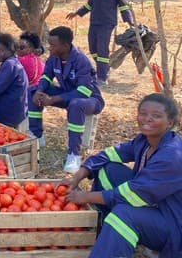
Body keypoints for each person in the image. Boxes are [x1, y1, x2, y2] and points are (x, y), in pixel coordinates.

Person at [62, 93, 182, 258]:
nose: (147, 119)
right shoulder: (144, 141)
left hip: (173, 223)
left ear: (170, 122)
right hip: (152, 204)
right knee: (107, 168)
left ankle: (114, 241)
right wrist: (77, 177)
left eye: (156, 116)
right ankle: (108, 231)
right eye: (143, 113)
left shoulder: (172, 156)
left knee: (123, 214)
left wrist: (86, 196)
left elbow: (134, 194)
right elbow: (107, 155)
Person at [28, 26, 104, 173]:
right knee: (32, 91)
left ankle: (74, 155)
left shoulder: (81, 61)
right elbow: (46, 76)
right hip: (66, 94)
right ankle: (37, 135)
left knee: (76, 105)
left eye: (53, 45)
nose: (49, 48)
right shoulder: (54, 58)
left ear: (66, 46)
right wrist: (39, 91)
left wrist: (54, 99)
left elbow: (84, 91)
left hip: (89, 100)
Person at [66, 0, 134, 85]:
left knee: (102, 49)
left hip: (107, 22)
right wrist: (77, 13)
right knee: (93, 48)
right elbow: (90, 4)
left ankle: (102, 77)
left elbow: (123, 4)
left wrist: (129, 20)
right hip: (94, 21)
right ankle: (104, 67)